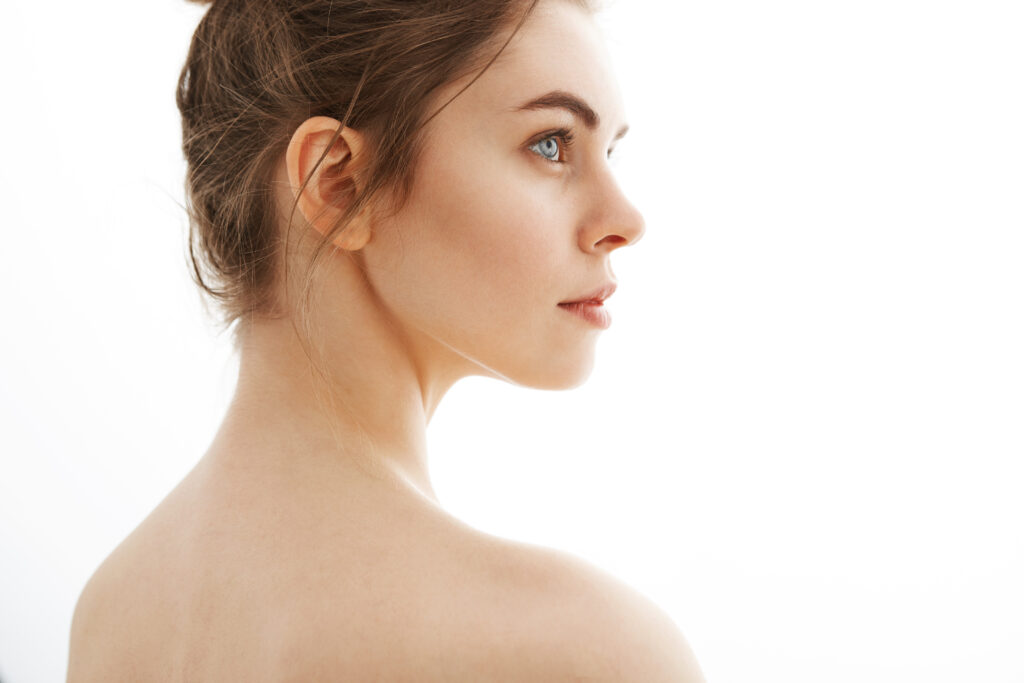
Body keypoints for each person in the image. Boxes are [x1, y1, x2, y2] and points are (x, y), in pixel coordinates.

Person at [66, 0, 705, 679]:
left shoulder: (111, 613)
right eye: (550, 143)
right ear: (337, 183)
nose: (626, 220)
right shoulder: (580, 650)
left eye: (609, 151)